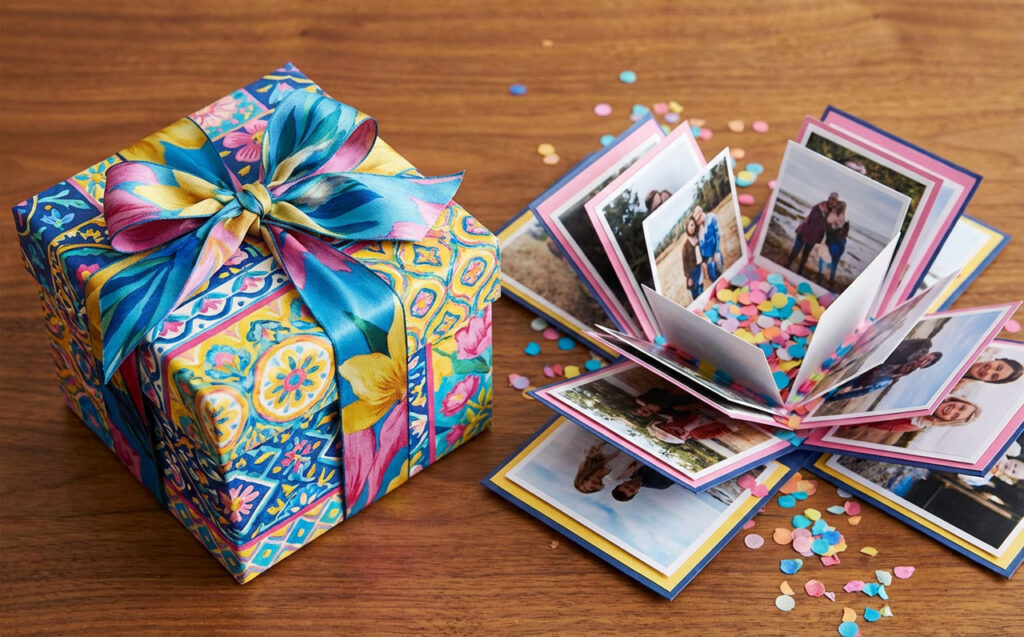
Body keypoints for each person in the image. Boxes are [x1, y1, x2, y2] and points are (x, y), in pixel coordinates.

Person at [826, 338, 942, 401]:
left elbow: (896, 373)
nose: (925, 361)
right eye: (928, 358)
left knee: (868, 386)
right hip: (880, 357)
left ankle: (835, 395)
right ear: (929, 353)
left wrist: (884, 375)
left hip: (881, 370)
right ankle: (836, 384)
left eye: (927, 363)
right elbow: (902, 343)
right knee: (849, 370)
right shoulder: (920, 347)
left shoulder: (912, 368)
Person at [836, 396, 981, 444]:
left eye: (955, 416)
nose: (954, 410)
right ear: (958, 400)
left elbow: (876, 423)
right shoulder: (936, 392)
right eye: (961, 407)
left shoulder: (915, 424)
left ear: (947, 421)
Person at [787, 192, 838, 275]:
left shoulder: (832, 214)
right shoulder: (819, 207)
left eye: (835, 200)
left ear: (836, 203)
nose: (832, 202)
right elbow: (810, 220)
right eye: (832, 199)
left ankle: (799, 272)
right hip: (804, 232)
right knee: (795, 251)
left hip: (814, 237)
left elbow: (831, 228)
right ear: (828, 199)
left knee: (805, 255)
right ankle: (787, 266)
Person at [646, 414, 734, 445]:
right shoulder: (697, 434)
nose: (671, 430)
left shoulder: (677, 419)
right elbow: (726, 430)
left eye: (663, 427)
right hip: (726, 418)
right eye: (675, 433)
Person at [818, 202, 849, 287]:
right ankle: (830, 282)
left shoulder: (835, 215)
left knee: (824, 260)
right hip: (840, 244)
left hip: (833, 243)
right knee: (834, 264)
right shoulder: (843, 218)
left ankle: (820, 279)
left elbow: (829, 227)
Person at [611, 463, 676, 502]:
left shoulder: (631, 467)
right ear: (636, 492)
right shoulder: (661, 484)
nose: (632, 486)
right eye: (632, 490)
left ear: (622, 483)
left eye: (626, 486)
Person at [694, 206, 723, 281]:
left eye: (699, 217)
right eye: (697, 220)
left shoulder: (711, 217)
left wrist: (716, 251)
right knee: (713, 277)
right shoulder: (698, 230)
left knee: (720, 272)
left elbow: (717, 234)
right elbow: (699, 247)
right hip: (707, 259)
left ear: (701, 213)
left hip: (715, 253)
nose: (699, 221)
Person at [681, 217, 704, 299]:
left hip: (700, 268)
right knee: (695, 294)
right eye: (690, 225)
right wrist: (688, 277)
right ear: (687, 227)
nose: (692, 227)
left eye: (693, 225)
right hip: (692, 272)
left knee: (701, 290)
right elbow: (685, 263)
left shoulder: (698, 238)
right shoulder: (685, 246)